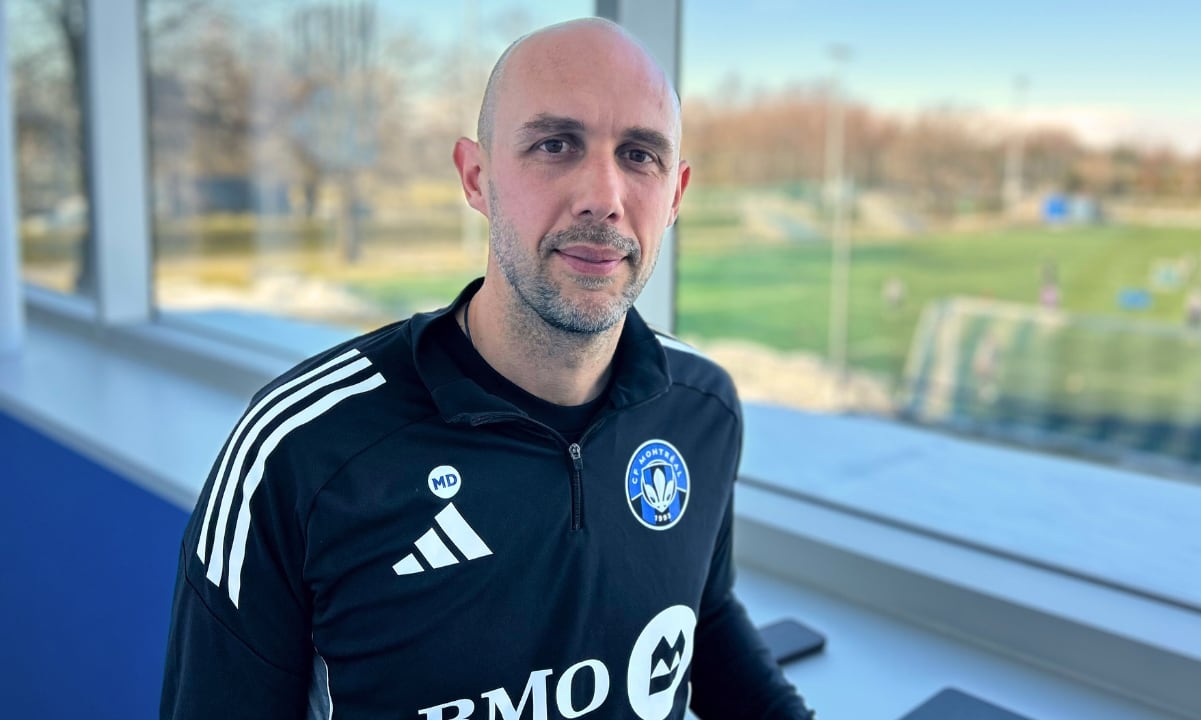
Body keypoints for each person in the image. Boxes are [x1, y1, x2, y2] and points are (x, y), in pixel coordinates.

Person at [161, 17, 815, 720]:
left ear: (676, 193)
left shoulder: (700, 409)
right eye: (555, 144)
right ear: (477, 177)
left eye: (640, 154)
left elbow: (702, 615)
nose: (604, 196)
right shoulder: (300, 453)